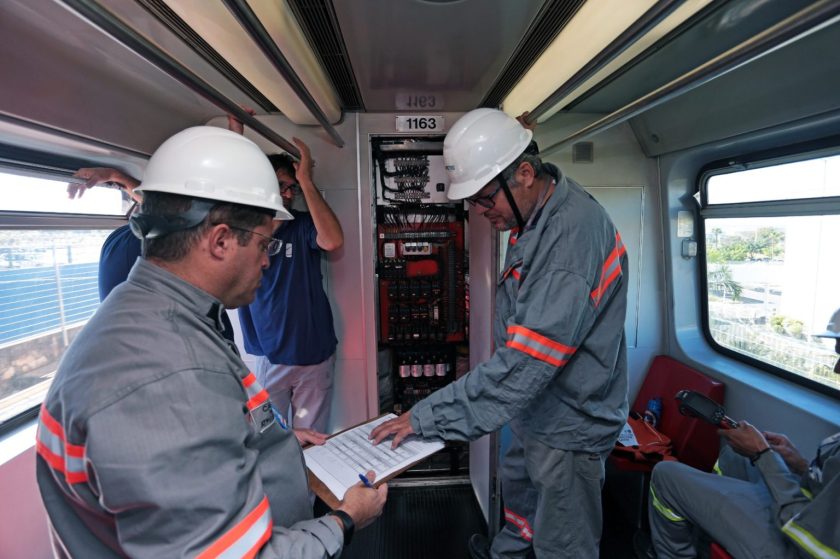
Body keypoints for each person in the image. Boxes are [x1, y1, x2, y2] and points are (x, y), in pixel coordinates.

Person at [36, 126, 387, 557]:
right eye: (264, 243)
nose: (266, 259)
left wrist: (279, 442)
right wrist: (346, 520)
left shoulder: (159, 317)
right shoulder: (166, 374)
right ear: (220, 241)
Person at [370, 108, 630, 559]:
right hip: (536, 408)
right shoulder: (535, 216)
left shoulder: (569, 240)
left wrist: (425, 416)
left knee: (562, 540)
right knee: (522, 503)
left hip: (568, 424)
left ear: (525, 174)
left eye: (485, 199)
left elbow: (524, 366)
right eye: (472, 202)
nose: (480, 211)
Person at [647, 307, 840, 559]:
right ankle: (707, 541)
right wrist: (800, 465)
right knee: (735, 455)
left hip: (798, 542)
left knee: (665, 476)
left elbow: (815, 543)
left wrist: (763, 455)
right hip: (810, 512)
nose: (836, 369)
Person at [234, 127, 343, 434]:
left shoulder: (304, 225)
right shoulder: (243, 228)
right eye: (280, 186)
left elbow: (333, 241)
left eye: (291, 188)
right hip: (270, 357)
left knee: (313, 441)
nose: (287, 193)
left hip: (314, 355)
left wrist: (306, 181)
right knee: (269, 439)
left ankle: (308, 484)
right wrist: (236, 134)